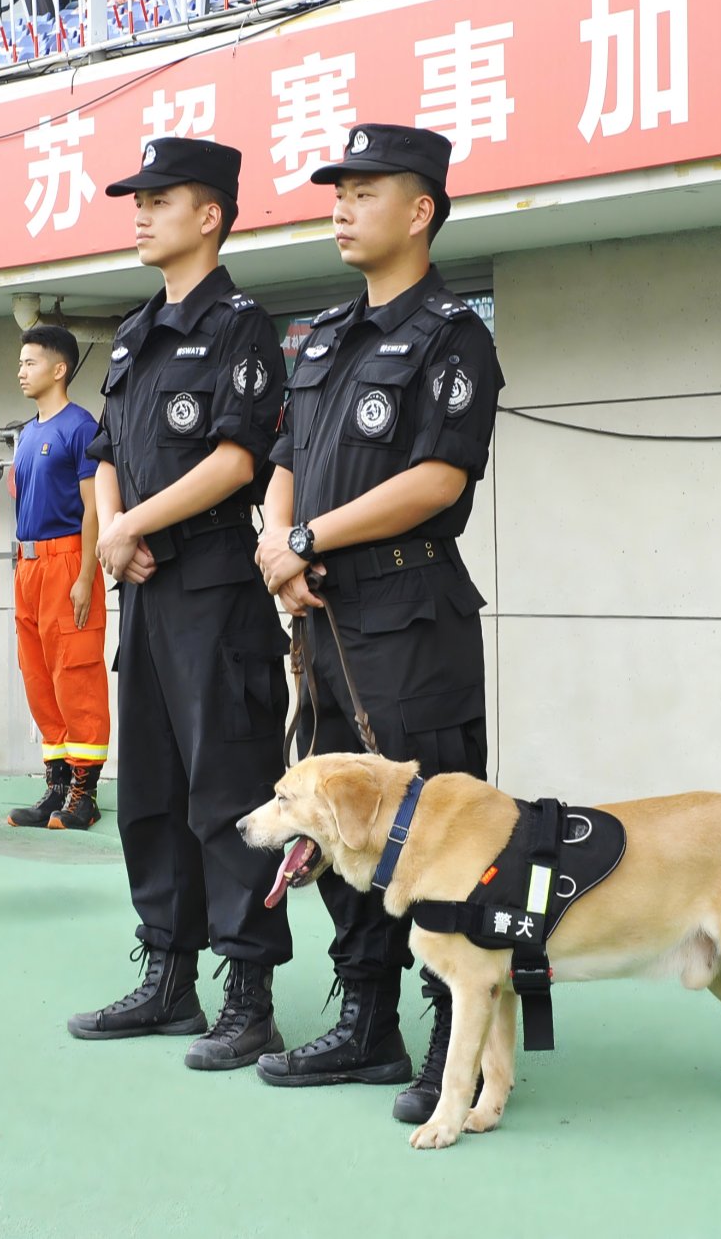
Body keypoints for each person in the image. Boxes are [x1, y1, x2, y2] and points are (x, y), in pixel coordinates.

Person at [250, 124, 503, 1126]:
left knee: (437, 832)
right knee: (333, 824)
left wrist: (307, 537)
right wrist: (277, 549)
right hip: (323, 620)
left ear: (421, 210)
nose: (342, 208)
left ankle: (454, 1038)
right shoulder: (320, 336)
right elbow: (284, 458)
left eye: (364, 192)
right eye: (337, 193)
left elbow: (438, 478)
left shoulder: (453, 334)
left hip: (411, 619)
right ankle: (365, 1021)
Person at [67, 136, 292, 1074]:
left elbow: (237, 460)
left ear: (210, 215)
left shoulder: (243, 326)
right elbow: (105, 451)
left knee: (229, 794)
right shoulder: (132, 333)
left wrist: (131, 527)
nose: (141, 213)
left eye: (160, 199)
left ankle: (249, 998)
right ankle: (168, 976)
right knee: (152, 793)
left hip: (214, 589)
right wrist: (117, 529)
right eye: (138, 200)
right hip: (147, 592)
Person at [4, 324, 111, 831]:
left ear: (59, 369)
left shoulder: (80, 427)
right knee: (39, 677)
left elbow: (94, 508)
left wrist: (86, 574)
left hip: (68, 560)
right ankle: (58, 785)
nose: (21, 372)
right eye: (20, 363)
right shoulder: (28, 434)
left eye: (30, 362)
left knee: (76, 674)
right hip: (28, 566)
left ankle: (84, 794)